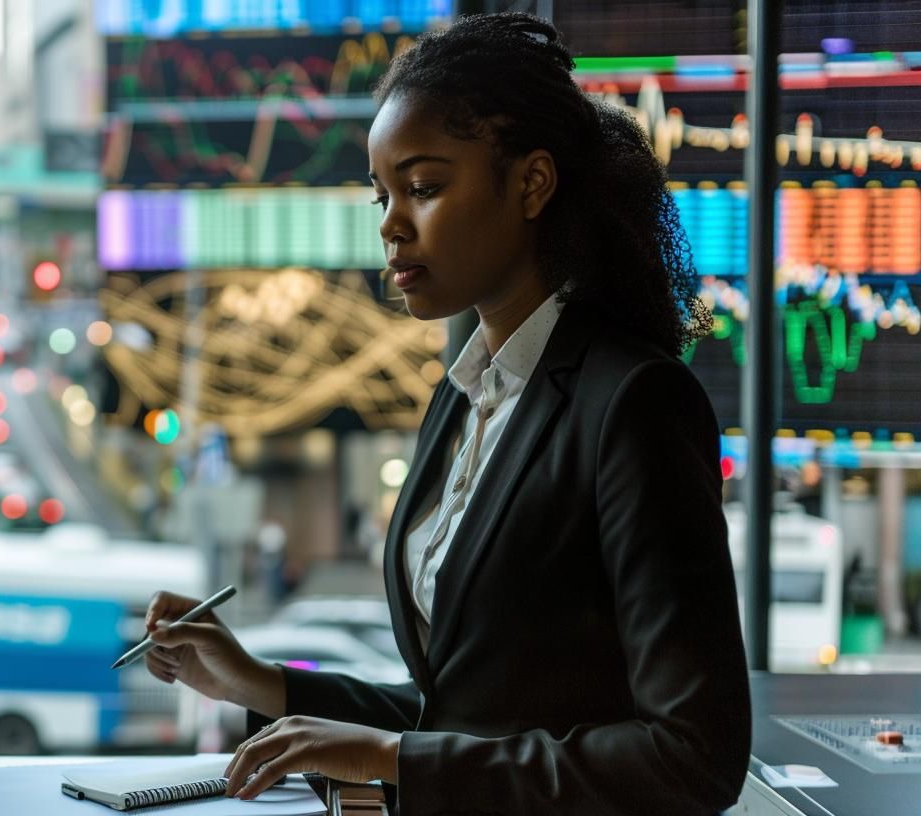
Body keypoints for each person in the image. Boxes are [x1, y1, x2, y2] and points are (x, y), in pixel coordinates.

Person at [141, 12, 751, 815]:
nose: (392, 224)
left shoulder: (633, 403)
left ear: (532, 184)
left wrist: (393, 760)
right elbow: (465, 718)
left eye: (424, 188)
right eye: (382, 194)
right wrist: (260, 682)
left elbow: (692, 758)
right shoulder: (463, 397)